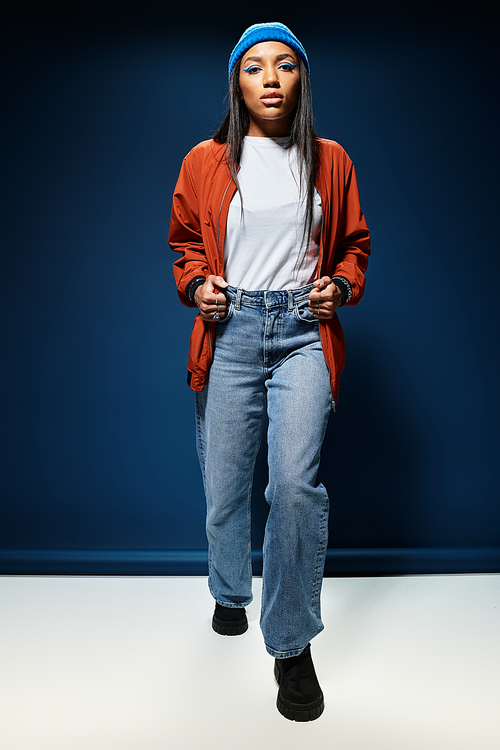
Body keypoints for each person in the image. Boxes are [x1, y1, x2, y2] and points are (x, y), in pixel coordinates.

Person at [169, 21, 370, 722]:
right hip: (230, 332)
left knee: (291, 487)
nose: (273, 79)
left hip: (303, 335)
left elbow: (353, 247)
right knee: (225, 487)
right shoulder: (205, 160)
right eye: (256, 68)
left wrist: (340, 288)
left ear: (302, 79)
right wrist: (198, 286)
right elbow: (186, 241)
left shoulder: (332, 159)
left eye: (286, 66)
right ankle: (229, 589)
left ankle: (290, 645)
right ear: (238, 82)